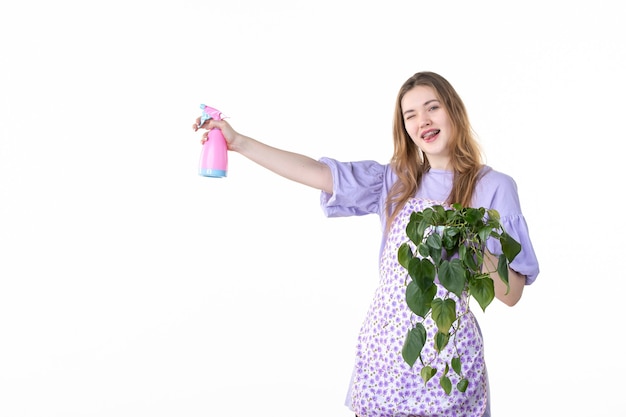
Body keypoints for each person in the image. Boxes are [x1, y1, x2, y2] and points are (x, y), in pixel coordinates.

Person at [192, 71, 540, 417]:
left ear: (453, 111)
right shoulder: (394, 181)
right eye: (411, 115)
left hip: (448, 364)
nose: (423, 121)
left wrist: (468, 234)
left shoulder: (494, 187)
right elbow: (316, 173)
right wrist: (238, 142)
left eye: (432, 107)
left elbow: (511, 294)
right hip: (384, 358)